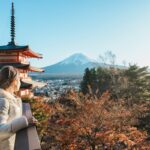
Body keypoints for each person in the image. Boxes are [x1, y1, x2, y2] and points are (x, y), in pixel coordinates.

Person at [0, 66, 37, 150]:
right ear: (14, 81)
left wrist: (27, 121)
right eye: (19, 80)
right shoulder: (3, 101)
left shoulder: (10, 98)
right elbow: (0, 132)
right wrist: (25, 121)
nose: (20, 83)